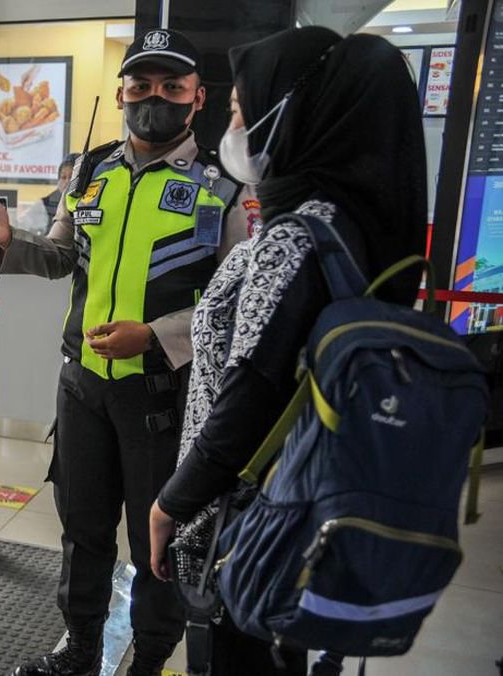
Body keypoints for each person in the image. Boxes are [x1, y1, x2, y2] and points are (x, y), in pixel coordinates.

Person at [0, 29, 257, 676]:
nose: (153, 99)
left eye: (171, 87)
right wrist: (10, 239)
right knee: (83, 531)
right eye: (140, 86)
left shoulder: (224, 189)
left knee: (156, 541)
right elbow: (62, 255)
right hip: (83, 387)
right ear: (121, 94)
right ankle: (80, 649)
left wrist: (157, 335)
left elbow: (233, 306)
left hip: (162, 397)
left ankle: (149, 661)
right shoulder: (92, 172)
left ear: (197, 98)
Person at [147, 27, 427, 674]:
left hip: (245, 522)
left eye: (239, 111)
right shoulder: (354, 226)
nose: (230, 127)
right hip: (304, 511)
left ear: (288, 115)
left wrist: (171, 505)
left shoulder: (294, 240)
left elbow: (251, 396)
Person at [20, 155, 78, 236]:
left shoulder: (88, 203)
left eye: (72, 177)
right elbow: (23, 226)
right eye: (63, 177)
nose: (67, 182)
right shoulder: (44, 205)